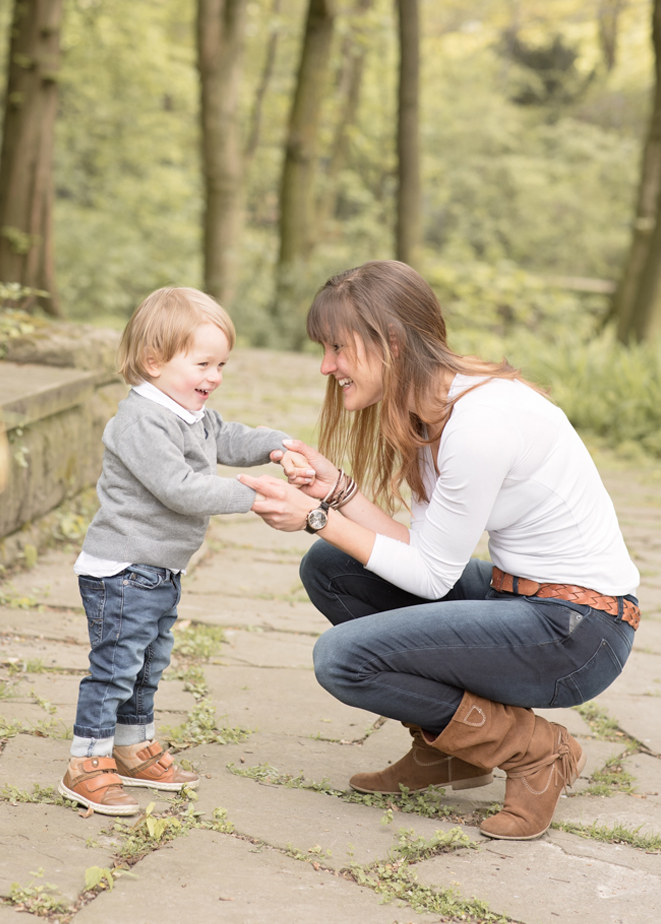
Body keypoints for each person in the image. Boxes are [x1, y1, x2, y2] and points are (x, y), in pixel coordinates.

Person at [239, 260, 639, 841]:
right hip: (521, 598)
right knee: (334, 569)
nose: (327, 366)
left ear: (392, 343)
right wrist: (336, 491)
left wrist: (316, 517)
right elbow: (426, 555)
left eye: (337, 348)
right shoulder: (439, 408)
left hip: (579, 630)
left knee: (343, 658)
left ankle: (533, 750)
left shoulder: (480, 423)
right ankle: (451, 751)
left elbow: (427, 578)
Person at [58, 287, 301, 815]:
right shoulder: (142, 421)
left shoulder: (191, 414)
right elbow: (181, 489)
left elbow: (229, 439)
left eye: (222, 365)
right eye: (203, 363)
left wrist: (277, 446)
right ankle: (86, 761)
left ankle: (131, 744)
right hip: (122, 569)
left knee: (149, 665)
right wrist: (255, 494)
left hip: (160, 569)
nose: (214, 376)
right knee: (116, 667)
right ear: (154, 361)